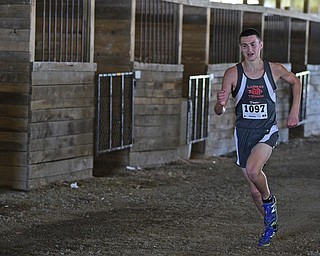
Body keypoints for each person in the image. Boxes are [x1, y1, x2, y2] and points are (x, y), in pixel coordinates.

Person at [214, 28, 301, 247]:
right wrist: (220, 103)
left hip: (266, 130)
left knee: (254, 170)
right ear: (241, 48)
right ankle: (270, 225)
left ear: (260, 45)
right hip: (243, 133)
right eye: (245, 45)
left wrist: (294, 111)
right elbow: (220, 110)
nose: (249, 49)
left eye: (253, 44)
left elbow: (296, 82)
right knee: (254, 191)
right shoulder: (233, 73)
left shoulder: (274, 70)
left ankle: (270, 204)